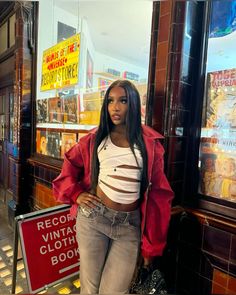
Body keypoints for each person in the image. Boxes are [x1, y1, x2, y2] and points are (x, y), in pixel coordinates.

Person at [52, 79, 174, 294]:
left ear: (134, 104)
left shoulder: (149, 144)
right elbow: (69, 164)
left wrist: (151, 246)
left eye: (123, 100)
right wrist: (76, 194)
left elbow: (158, 197)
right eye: (110, 101)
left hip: (129, 227)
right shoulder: (96, 138)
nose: (115, 107)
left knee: (115, 291)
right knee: (90, 289)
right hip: (94, 218)